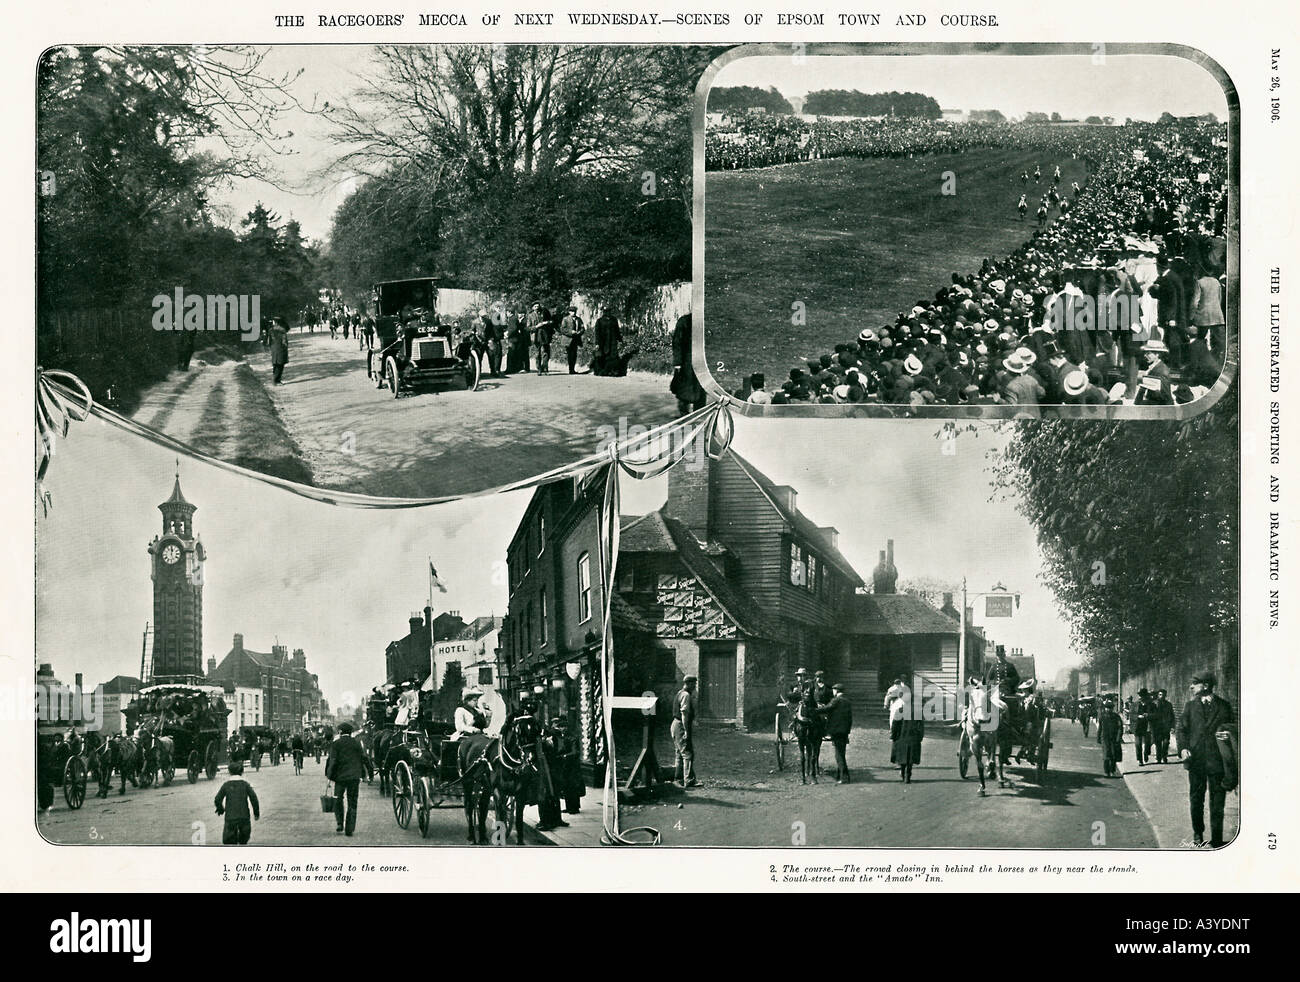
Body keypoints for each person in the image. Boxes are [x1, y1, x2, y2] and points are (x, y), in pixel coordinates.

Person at [1177, 672, 1236, 848]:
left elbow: (1233, 728)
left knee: (1217, 802)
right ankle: (1197, 834)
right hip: (1196, 761)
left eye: (1195, 683)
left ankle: (1217, 839)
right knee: (1196, 799)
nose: (1191, 686)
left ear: (1206, 686)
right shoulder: (1189, 706)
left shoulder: (1224, 706)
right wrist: (1183, 748)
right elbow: (1181, 730)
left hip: (1217, 762)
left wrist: (1229, 733)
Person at [325, 721, 373, 837]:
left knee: (338, 799)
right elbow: (364, 758)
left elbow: (332, 761)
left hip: (340, 778)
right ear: (351, 733)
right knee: (352, 802)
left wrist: (329, 777)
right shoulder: (356, 743)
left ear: (340, 732)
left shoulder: (336, 744)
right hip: (354, 777)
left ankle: (340, 823)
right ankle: (349, 828)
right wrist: (370, 773)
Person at [214, 760, 260, 845]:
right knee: (243, 841)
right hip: (244, 818)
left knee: (229, 842)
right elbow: (254, 799)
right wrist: (256, 813)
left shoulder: (226, 785)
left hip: (230, 818)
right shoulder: (245, 785)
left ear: (229, 772)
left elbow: (217, 799)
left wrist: (221, 809)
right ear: (242, 772)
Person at [670, 313, 706, 417]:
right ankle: (683, 412)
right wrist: (678, 362)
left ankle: (699, 412)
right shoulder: (684, 321)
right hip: (687, 360)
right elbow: (677, 342)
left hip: (701, 359)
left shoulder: (704, 320)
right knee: (685, 387)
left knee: (701, 385)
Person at [819, 683, 853, 784]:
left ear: (836, 691)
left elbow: (827, 709)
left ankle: (845, 777)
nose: (833, 692)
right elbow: (850, 718)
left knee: (839, 755)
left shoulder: (836, 700)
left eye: (833, 690)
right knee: (841, 753)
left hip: (836, 731)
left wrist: (814, 710)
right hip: (844, 731)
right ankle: (840, 775)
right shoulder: (847, 701)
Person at [671, 675, 698, 788]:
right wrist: (686, 731)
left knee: (679, 753)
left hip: (675, 724)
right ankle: (688, 780)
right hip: (681, 725)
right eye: (694, 684)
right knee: (687, 753)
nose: (695, 686)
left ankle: (678, 779)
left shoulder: (680, 692)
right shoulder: (686, 695)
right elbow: (684, 714)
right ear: (689, 683)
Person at [1097, 696, 1124, 777]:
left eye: (1110, 708)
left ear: (1112, 709)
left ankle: (1112, 770)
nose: (1108, 709)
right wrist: (1098, 737)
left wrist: (1118, 737)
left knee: (1113, 755)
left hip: (1114, 738)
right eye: (1107, 708)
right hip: (1105, 738)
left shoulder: (1116, 717)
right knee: (1106, 756)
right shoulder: (1102, 717)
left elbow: (1120, 727)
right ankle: (1106, 771)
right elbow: (1100, 728)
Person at [593, 307, 622, 376]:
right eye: (606, 311)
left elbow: (617, 330)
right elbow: (597, 332)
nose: (607, 313)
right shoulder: (599, 321)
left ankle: (613, 371)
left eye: (609, 311)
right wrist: (597, 343)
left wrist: (620, 339)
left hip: (612, 341)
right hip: (602, 341)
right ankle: (602, 371)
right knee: (603, 356)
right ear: (603, 312)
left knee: (613, 356)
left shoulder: (614, 320)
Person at [1152, 688, 1176, 764]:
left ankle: (1164, 756)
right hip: (1157, 727)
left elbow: (1172, 715)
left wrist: (1172, 726)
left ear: (1165, 695)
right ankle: (1158, 758)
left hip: (1166, 727)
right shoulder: (1154, 704)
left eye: (1163, 695)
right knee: (1158, 743)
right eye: (1160, 694)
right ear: (1158, 695)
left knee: (1166, 742)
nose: (1161, 696)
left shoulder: (1168, 704)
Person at [561, 306, 584, 374]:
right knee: (570, 354)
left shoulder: (578, 319)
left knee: (574, 354)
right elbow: (562, 329)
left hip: (576, 339)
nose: (573, 313)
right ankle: (570, 369)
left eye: (574, 311)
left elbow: (582, 328)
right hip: (568, 339)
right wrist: (571, 332)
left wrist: (580, 332)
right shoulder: (565, 319)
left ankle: (572, 369)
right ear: (569, 312)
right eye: (571, 311)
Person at [269, 317, 289, 384]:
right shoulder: (282, 330)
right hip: (281, 349)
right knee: (280, 365)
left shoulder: (271, 330)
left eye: (274, 321)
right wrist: (286, 347)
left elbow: (269, 341)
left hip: (274, 348)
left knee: (275, 364)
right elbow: (284, 341)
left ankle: (275, 379)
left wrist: (270, 347)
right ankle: (277, 380)